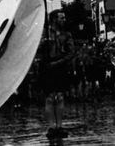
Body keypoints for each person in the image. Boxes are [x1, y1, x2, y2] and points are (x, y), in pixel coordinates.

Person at [41, 9, 75, 139]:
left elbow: (71, 52)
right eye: (61, 18)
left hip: (60, 68)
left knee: (60, 97)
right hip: (47, 68)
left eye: (64, 17)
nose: (64, 20)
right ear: (55, 19)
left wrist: (60, 62)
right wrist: (44, 44)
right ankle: (51, 127)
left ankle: (59, 126)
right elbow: (36, 48)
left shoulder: (67, 34)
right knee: (49, 98)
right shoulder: (45, 33)